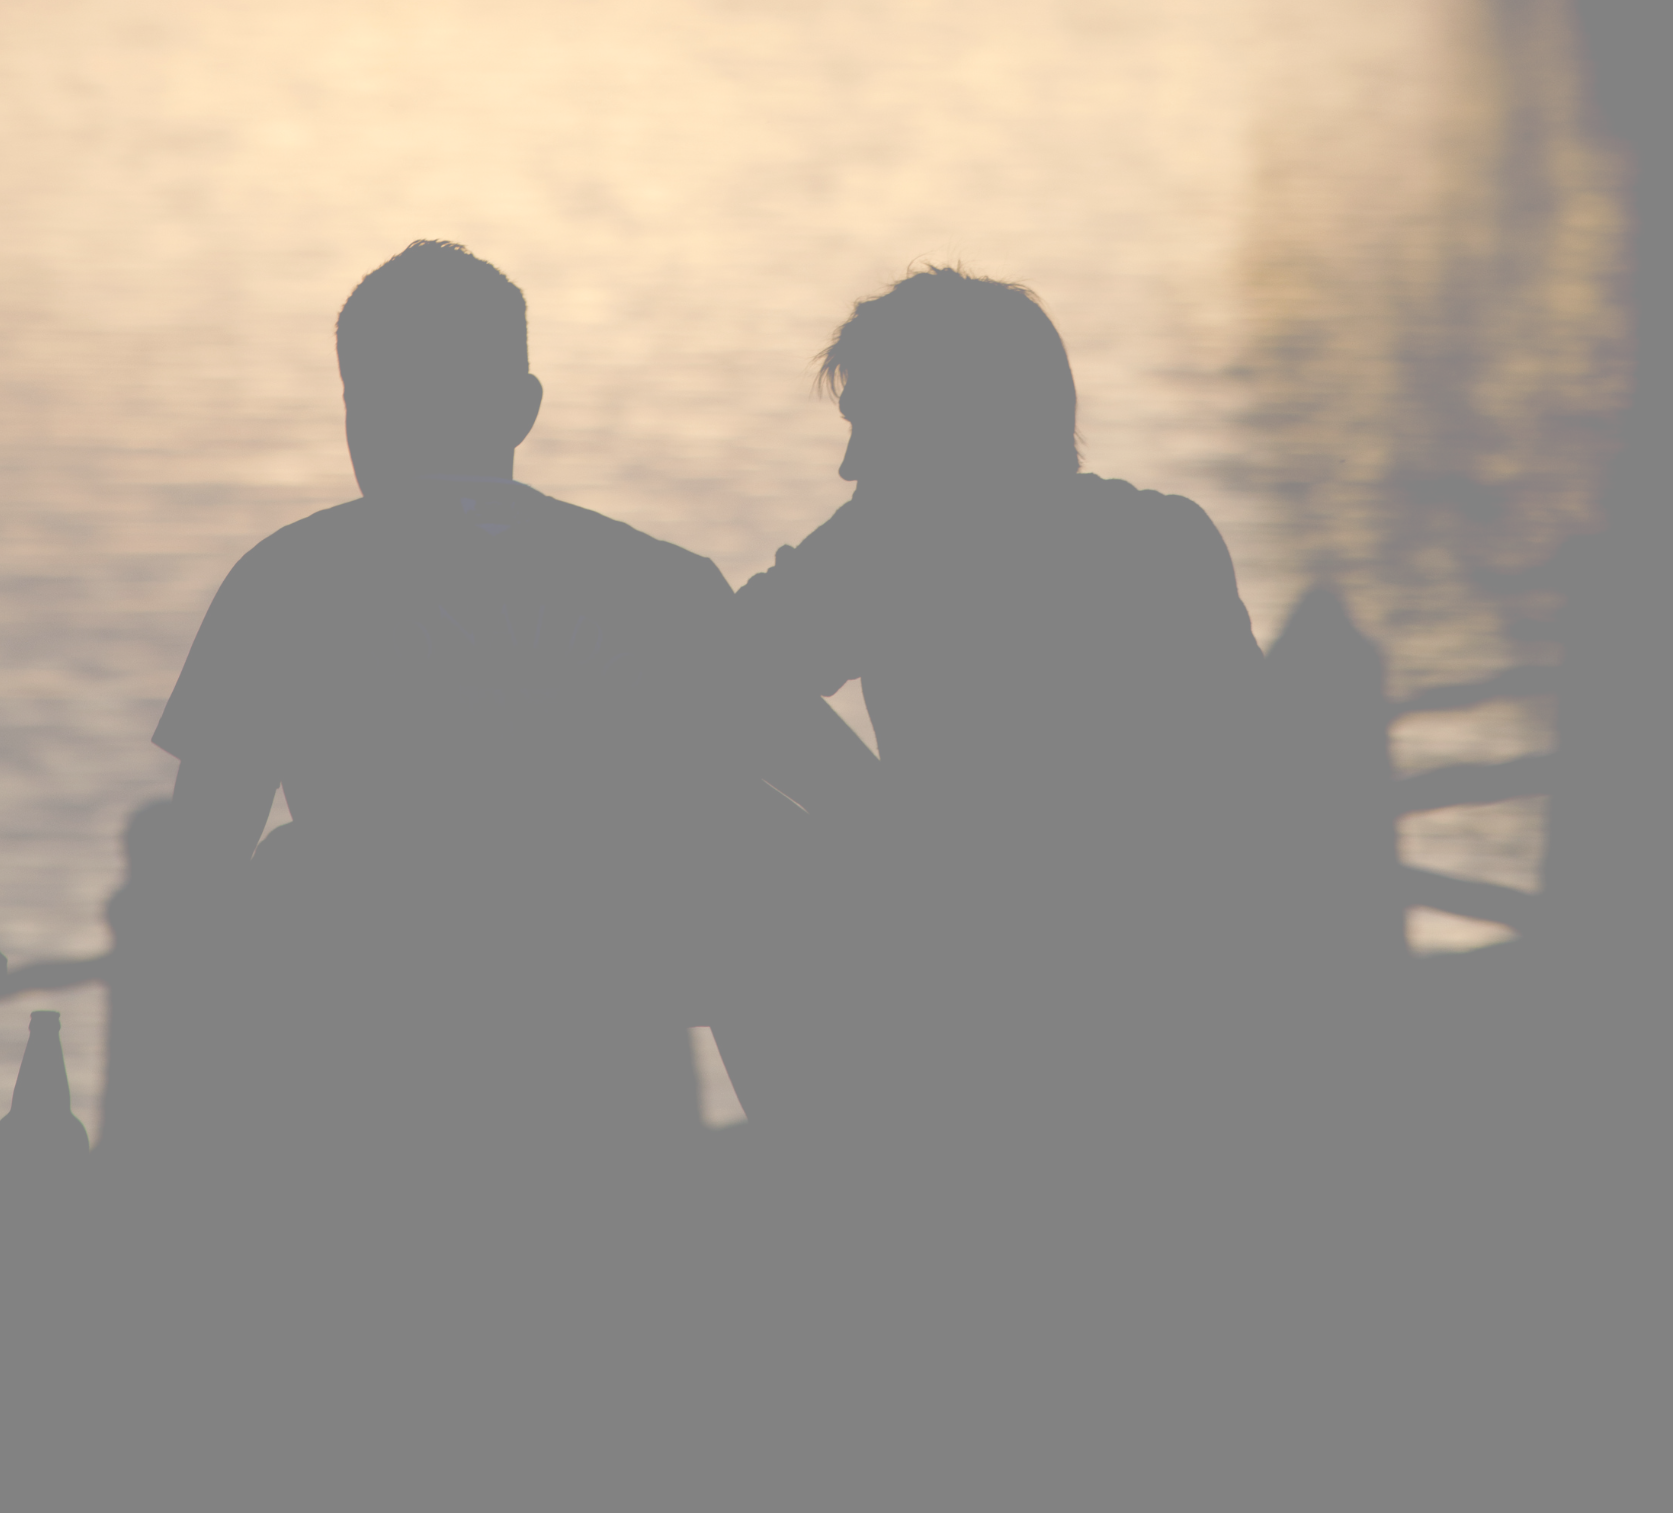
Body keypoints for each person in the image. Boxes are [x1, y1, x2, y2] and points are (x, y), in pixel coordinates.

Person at [96, 240, 872, 1512]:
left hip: (362, 1075)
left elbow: (191, 875)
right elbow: (853, 811)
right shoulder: (661, 580)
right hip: (609, 1064)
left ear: (354, 409)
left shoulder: (285, 575)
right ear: (520, 410)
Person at [731, 265, 1286, 1508]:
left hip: (981, 1017)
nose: (848, 466)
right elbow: (1255, 793)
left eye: (870, 426)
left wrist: (875, 823)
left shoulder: (893, 547)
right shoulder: (1164, 539)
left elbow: (716, 679)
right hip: (1170, 1022)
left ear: (948, 425)